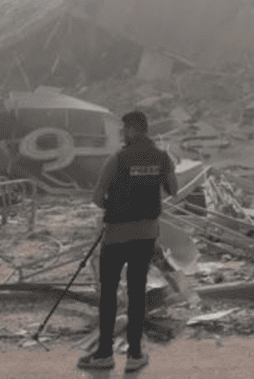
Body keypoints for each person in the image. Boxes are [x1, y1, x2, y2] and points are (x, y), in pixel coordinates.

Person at [77, 110, 178, 372]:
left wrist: (117, 204)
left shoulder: (117, 159)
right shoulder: (162, 158)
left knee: (109, 294)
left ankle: (104, 355)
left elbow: (97, 198)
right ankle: (134, 355)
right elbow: (173, 189)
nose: (122, 134)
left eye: (123, 130)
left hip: (115, 236)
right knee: (136, 293)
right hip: (144, 236)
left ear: (132, 130)